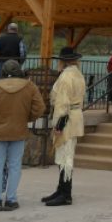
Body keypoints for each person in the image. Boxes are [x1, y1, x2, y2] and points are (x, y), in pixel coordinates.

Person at [0, 59, 45, 211]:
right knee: (15, 166)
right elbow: (40, 107)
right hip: (19, 130)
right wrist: (27, 118)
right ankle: (11, 199)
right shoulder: (29, 86)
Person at [42, 47, 86, 206]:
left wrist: (58, 124)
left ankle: (66, 194)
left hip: (66, 118)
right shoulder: (78, 74)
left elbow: (62, 102)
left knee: (66, 156)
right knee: (64, 155)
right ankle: (61, 189)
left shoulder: (66, 76)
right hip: (73, 116)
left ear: (63, 61)